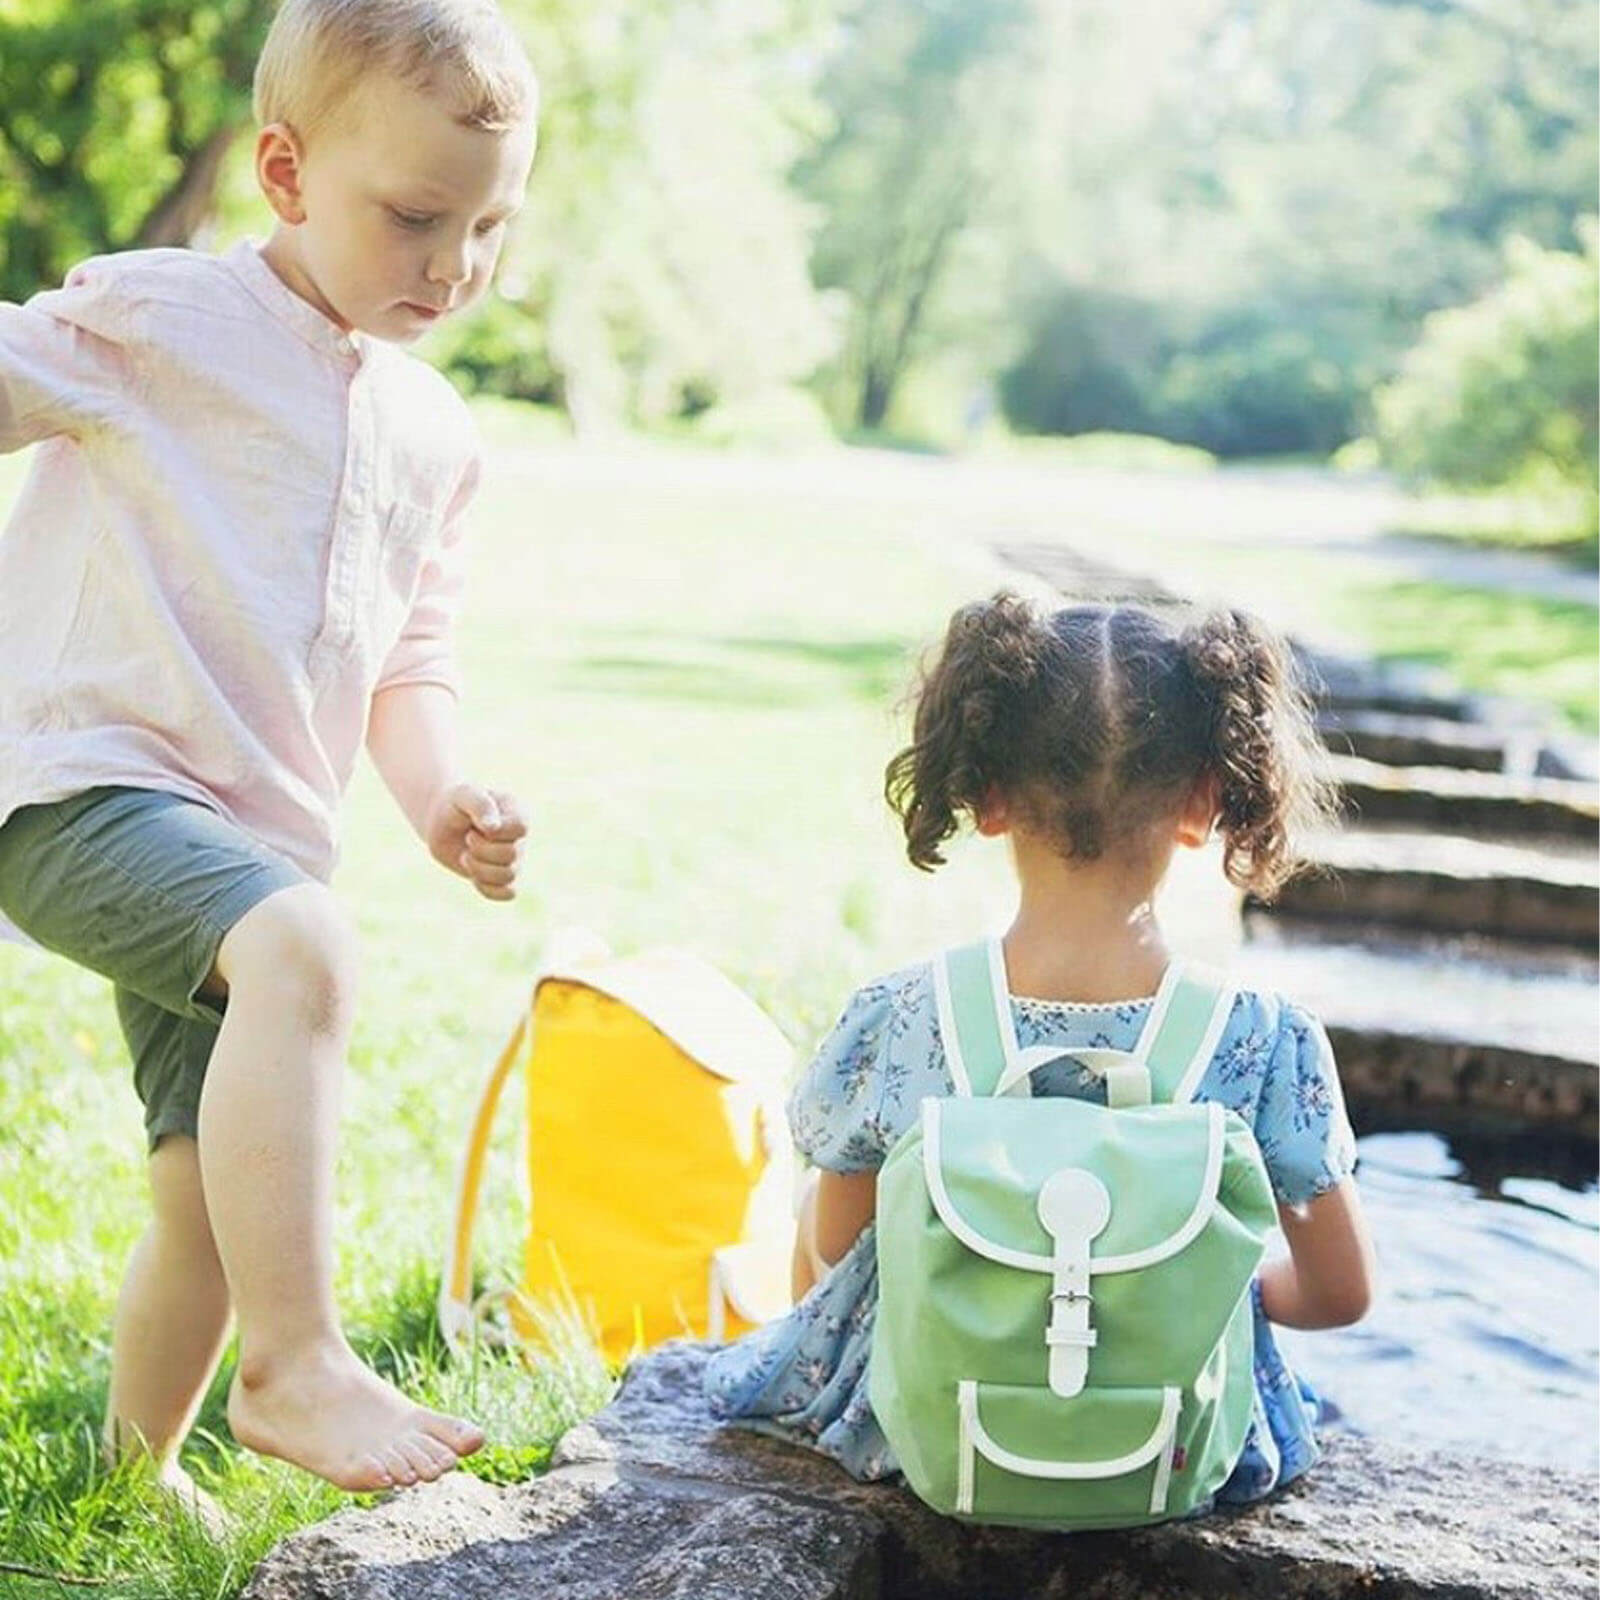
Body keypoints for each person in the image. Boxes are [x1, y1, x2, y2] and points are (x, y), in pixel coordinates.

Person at [0, 0, 539, 1501]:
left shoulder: (434, 435)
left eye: (490, 227)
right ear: (288, 174)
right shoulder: (169, 321)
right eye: (419, 217)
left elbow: (406, 660)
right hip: (74, 785)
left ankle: (128, 1472)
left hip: (244, 850)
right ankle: (296, 1371)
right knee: (305, 950)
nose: (456, 266)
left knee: (209, 1196)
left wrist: (441, 800)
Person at [705, 593, 1377, 1505]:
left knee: (822, 1201)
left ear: (985, 798)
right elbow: (1340, 1295)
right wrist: (1179, 1276)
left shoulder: (904, 1017)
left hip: (928, 1440)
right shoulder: (1263, 1038)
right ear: (1204, 803)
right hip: (1178, 1455)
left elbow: (837, 1251)